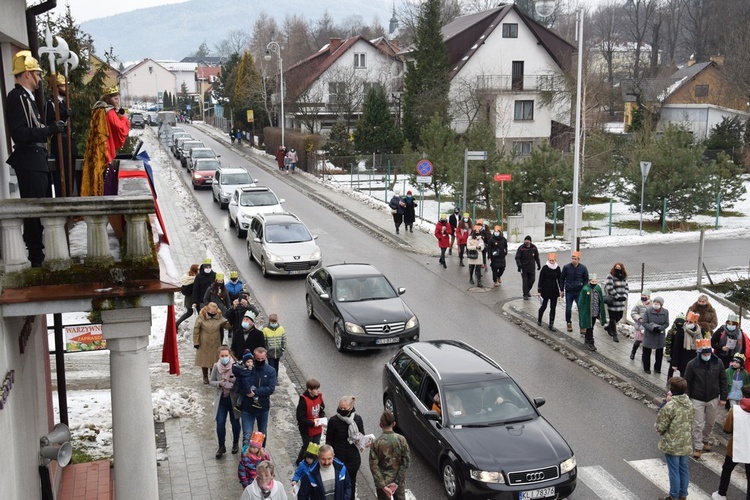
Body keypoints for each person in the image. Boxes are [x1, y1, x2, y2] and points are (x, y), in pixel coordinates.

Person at [5, 51, 65, 267]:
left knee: (41, 206)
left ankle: (39, 251)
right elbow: (20, 132)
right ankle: (36, 256)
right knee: (35, 209)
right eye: (37, 74)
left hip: (36, 159)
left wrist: (51, 128)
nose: (40, 79)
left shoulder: (26, 98)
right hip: (29, 159)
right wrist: (49, 130)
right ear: (28, 74)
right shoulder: (17, 97)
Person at [80, 85, 130, 196]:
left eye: (117, 97)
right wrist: (124, 118)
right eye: (114, 97)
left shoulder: (97, 109)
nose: (117, 99)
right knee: (107, 187)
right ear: (108, 99)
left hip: (96, 152)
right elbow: (121, 129)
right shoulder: (109, 112)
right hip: (105, 153)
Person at [685, 338, 727, 458]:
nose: (707, 356)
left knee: (710, 422)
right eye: (704, 354)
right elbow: (687, 381)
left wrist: (723, 397)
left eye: (708, 354)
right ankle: (698, 447)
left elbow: (723, 380)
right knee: (697, 423)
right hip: (696, 398)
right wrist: (687, 398)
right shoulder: (692, 364)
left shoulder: (718, 363)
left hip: (713, 397)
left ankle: (705, 439)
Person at [655, 377, 695, 500]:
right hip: (686, 442)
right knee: (683, 469)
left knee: (674, 471)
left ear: (671, 389)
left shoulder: (670, 406)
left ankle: (673, 496)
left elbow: (660, 426)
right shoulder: (689, 403)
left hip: (672, 443)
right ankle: (683, 495)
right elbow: (692, 419)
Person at [711, 385, 750, 500]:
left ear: (743, 396)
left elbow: (727, 428)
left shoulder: (735, 410)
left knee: (727, 469)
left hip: (736, 445)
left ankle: (721, 494)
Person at [326, 396, 365, 500]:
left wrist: (365, 442)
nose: (342, 410)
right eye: (340, 408)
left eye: (345, 408)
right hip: (338, 459)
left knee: (351, 483)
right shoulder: (333, 421)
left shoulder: (357, 419)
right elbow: (329, 440)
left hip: (353, 459)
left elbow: (362, 436)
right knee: (339, 484)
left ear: (351, 407)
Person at [45, 73, 77, 197]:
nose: (66, 88)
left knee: (70, 178)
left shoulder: (64, 103)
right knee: (62, 178)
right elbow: (49, 124)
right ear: (56, 87)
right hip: (60, 144)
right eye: (63, 85)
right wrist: (63, 116)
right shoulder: (51, 104)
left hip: (69, 143)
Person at [239, 347, 277, 447]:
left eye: (262, 359)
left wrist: (255, 391)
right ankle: (246, 459)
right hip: (247, 408)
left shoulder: (271, 371)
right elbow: (239, 386)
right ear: (253, 357)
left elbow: (271, 388)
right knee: (247, 436)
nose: (260, 361)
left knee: (262, 435)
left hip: (263, 408)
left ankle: (261, 456)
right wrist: (246, 391)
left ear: (266, 357)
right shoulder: (247, 369)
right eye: (258, 359)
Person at [369, 411, 410, 500]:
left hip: (383, 480)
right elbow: (406, 462)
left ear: (380, 425)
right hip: (398, 481)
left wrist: (383, 486)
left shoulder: (376, 443)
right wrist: (397, 482)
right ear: (394, 423)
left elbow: (373, 466)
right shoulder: (401, 440)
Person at [209, 345, 240, 459]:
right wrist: (219, 383)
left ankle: (235, 443)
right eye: (222, 356)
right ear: (219, 356)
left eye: (226, 355)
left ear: (230, 355)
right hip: (221, 399)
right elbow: (211, 381)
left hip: (233, 399)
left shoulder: (236, 366)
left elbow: (239, 383)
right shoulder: (216, 366)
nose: (224, 358)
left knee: (235, 423)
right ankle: (221, 446)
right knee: (220, 423)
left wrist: (230, 384)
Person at [193, 302, 231, 384]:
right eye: (212, 312)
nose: (213, 313)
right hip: (204, 341)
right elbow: (196, 329)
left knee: (214, 359)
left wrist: (231, 323)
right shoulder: (202, 316)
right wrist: (196, 342)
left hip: (215, 341)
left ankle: (213, 375)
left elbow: (225, 324)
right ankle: (205, 376)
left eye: (214, 312)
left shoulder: (219, 316)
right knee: (204, 360)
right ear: (207, 310)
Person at [667, 312, 706, 379]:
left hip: (692, 357)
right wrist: (674, 363)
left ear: (695, 323)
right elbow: (676, 348)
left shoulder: (700, 332)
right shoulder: (681, 331)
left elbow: (701, 346)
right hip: (682, 357)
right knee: (681, 375)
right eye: (687, 321)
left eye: (690, 322)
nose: (687, 323)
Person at [296, 379, 326, 465]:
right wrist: (312, 423)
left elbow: (321, 408)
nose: (318, 391)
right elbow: (300, 418)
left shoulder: (319, 396)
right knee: (307, 446)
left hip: (317, 427)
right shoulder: (303, 400)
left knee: (315, 446)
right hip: (306, 429)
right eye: (316, 389)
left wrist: (321, 417)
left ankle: (313, 462)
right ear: (309, 390)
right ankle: (300, 461)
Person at [559, 251, 589, 332]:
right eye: (572, 258)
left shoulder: (583, 268)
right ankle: (568, 323)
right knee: (568, 308)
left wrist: (584, 288)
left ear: (578, 260)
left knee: (581, 308)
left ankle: (582, 325)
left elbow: (586, 279)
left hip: (579, 292)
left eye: (575, 259)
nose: (573, 260)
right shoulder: (566, 267)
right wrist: (562, 289)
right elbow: (562, 278)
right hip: (569, 291)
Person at [578, 274, 607, 352]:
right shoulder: (585, 289)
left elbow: (600, 300)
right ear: (589, 281)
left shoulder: (598, 288)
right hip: (588, 312)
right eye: (592, 281)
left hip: (595, 311)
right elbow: (581, 301)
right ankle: (591, 341)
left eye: (595, 281)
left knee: (591, 326)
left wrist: (600, 312)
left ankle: (587, 338)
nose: (594, 282)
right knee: (590, 326)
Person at [642, 296, 670, 375]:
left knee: (659, 353)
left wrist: (660, 328)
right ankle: (646, 368)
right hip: (649, 334)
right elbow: (644, 323)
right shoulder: (648, 311)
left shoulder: (665, 312)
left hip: (659, 335)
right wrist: (652, 328)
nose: (656, 304)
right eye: (654, 302)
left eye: (657, 302)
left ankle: (657, 368)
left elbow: (667, 323)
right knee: (647, 352)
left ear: (661, 304)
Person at [603, 263, 629, 342]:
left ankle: (608, 327)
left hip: (621, 302)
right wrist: (617, 296)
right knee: (613, 318)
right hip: (613, 301)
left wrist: (624, 296)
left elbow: (627, 287)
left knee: (619, 316)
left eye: (619, 268)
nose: (618, 269)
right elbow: (609, 287)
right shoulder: (610, 276)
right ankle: (614, 334)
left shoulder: (624, 277)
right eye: (616, 267)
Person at [537, 253, 562, 332]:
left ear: (555, 260)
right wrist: (539, 291)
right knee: (544, 306)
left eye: (553, 261)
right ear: (548, 260)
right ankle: (539, 319)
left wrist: (561, 289)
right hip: (545, 290)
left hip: (554, 290)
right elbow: (540, 279)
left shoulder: (557, 268)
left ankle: (551, 324)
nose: (551, 262)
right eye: (550, 260)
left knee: (553, 308)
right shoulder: (545, 268)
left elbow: (559, 279)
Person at [515, 235, 540, 299]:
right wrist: (519, 266)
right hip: (524, 268)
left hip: (531, 268)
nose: (527, 242)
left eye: (528, 241)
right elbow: (517, 258)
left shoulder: (534, 248)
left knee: (532, 280)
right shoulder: (521, 248)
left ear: (530, 241)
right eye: (525, 240)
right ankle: (525, 294)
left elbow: (536, 257)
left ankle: (527, 290)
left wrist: (538, 264)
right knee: (525, 282)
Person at [630, 290, 652, 360]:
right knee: (638, 341)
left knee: (646, 343)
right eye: (642, 295)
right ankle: (633, 352)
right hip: (640, 326)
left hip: (648, 327)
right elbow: (633, 313)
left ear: (648, 296)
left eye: (645, 295)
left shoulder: (652, 304)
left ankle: (644, 357)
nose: (643, 296)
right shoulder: (638, 304)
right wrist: (639, 319)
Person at [175, 264, 199, 329]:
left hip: (188, 297)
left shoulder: (187, 276)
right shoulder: (194, 278)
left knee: (189, 312)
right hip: (193, 298)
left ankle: (177, 323)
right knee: (199, 312)